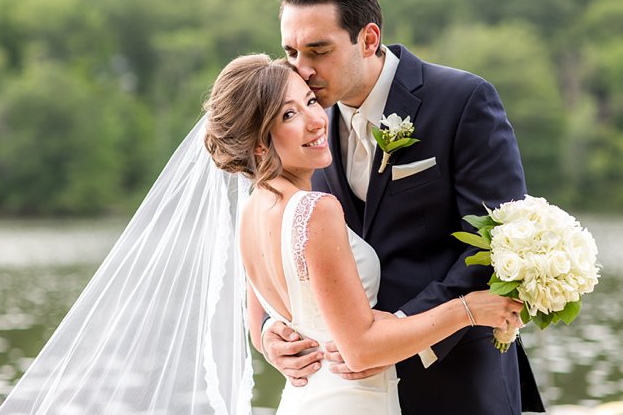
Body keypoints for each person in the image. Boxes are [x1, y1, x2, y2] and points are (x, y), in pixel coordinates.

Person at [261, 0, 545, 414]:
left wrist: (395, 330)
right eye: (292, 52)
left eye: (319, 50)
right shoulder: (304, 129)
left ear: (369, 39)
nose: (303, 69)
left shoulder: (462, 100)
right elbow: (276, 243)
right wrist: (270, 329)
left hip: (456, 382)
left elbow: (498, 244)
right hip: (347, 389)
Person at [204, 54, 525, 414]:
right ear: (259, 144)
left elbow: (258, 315)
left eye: (310, 102)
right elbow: (360, 350)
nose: (315, 120)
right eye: (288, 115)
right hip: (351, 399)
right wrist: (467, 309)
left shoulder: (251, 208)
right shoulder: (316, 210)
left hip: (306, 397)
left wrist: (265, 334)